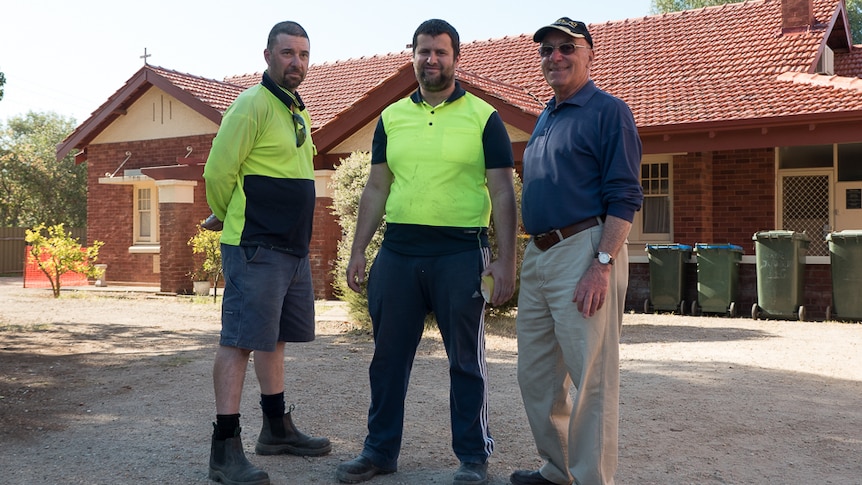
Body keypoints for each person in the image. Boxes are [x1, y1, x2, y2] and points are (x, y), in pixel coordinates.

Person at [337, 18, 518, 485]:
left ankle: (473, 458)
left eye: (441, 51)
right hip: (398, 252)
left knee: (466, 360)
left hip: (461, 252)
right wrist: (359, 249)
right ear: (412, 54)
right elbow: (377, 186)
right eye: (424, 51)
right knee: (387, 360)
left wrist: (504, 260)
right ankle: (378, 453)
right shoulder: (392, 117)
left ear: (456, 58)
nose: (431, 59)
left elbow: (501, 192)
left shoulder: (484, 117)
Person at [510, 18, 643, 485]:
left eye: (567, 47)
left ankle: (592, 480)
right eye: (547, 50)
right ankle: (556, 470)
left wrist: (601, 264)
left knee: (591, 380)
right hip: (541, 254)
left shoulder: (609, 111)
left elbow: (625, 196)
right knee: (537, 375)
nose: (556, 56)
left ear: (590, 55)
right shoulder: (547, 114)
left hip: (586, 249)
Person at [203, 20, 331, 485]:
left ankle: (276, 429)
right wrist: (229, 212)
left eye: (303, 54)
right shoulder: (250, 105)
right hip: (254, 245)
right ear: (267, 56)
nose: (296, 62)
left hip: (292, 248)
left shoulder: (298, 109)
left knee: (273, 337)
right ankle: (224, 450)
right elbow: (218, 172)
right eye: (287, 53)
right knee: (238, 341)